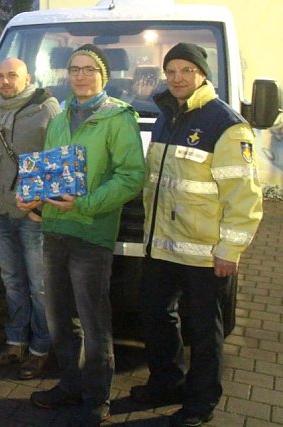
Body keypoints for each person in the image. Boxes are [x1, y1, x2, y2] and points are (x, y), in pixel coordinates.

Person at [132, 43, 263, 427]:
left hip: (206, 254)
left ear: (202, 74)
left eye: (186, 70)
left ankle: (200, 403)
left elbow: (245, 198)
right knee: (157, 316)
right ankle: (165, 383)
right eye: (171, 71)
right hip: (162, 245)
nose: (177, 78)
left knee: (205, 332)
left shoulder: (226, 125)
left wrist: (230, 250)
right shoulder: (165, 116)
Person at [24, 44, 145, 425]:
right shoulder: (60, 117)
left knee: (93, 322)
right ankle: (70, 385)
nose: (80, 75)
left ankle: (97, 398)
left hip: (91, 232)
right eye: (74, 69)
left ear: (102, 76)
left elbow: (131, 176)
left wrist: (86, 204)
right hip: (55, 229)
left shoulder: (118, 118)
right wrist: (34, 197)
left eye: (89, 69)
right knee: (60, 319)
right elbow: (49, 168)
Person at [0, 57, 60, 378]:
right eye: (0, 76)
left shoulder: (47, 109)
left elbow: (56, 161)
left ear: (28, 78)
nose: (5, 81)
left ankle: (41, 347)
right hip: (0, 212)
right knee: (12, 283)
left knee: (39, 286)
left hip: (31, 214)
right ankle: (15, 342)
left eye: (12, 75)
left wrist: (44, 206)